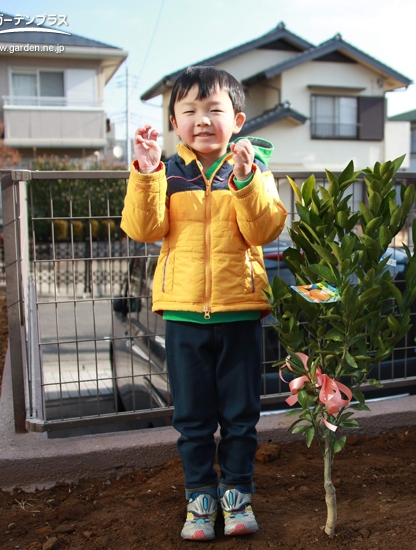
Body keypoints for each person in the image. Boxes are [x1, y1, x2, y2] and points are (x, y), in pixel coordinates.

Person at [120, 65, 287, 541]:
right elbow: (143, 229)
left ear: (237, 120)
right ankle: (199, 499)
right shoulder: (166, 173)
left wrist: (245, 178)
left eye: (214, 110)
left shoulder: (255, 172)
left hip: (239, 313)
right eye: (189, 110)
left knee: (240, 416)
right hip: (183, 314)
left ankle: (237, 496)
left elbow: (263, 230)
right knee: (192, 417)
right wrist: (148, 171)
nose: (202, 120)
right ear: (174, 123)